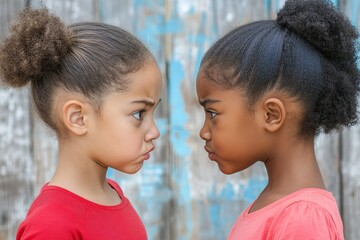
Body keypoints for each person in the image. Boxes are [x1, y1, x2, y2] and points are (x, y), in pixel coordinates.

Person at [196, 0, 358, 239]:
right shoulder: (277, 206)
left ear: (271, 115)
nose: (204, 132)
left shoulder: (302, 219)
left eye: (212, 113)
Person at [0, 8, 162, 240]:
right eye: (139, 114)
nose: (154, 132)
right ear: (78, 118)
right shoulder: (50, 226)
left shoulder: (113, 193)